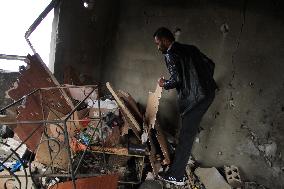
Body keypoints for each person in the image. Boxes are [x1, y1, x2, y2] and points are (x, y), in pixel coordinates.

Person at [153, 27, 217, 186]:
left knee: (186, 135)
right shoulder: (191, 49)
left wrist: (164, 83)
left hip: (195, 100)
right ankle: (181, 162)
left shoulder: (170, 54)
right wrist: (204, 84)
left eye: (158, 43)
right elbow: (210, 64)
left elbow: (177, 80)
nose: (158, 47)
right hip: (208, 93)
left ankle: (177, 176)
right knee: (190, 129)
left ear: (166, 40)